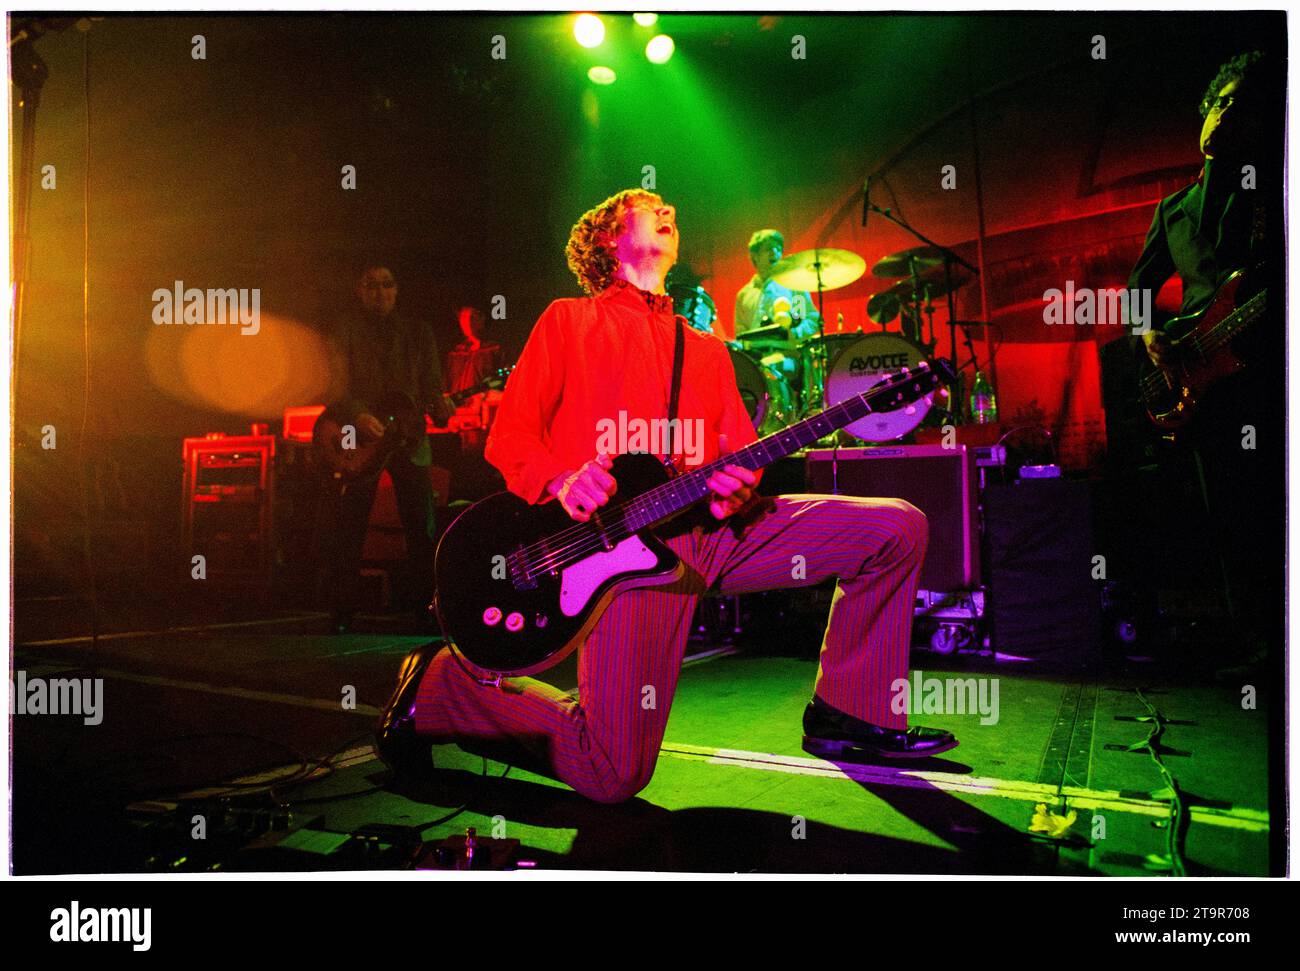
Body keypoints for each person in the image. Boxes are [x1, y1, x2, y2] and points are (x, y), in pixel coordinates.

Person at [375, 189, 957, 802]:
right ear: (606, 237)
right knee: (612, 772)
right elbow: (511, 437)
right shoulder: (568, 321)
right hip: (626, 557)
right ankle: (444, 688)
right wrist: (562, 479)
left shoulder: (705, 350)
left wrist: (740, 487)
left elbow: (738, 456)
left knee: (896, 528)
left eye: (672, 211)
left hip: (717, 534)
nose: (669, 211)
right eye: (647, 205)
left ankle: (851, 714)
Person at [1126, 51, 1282, 669]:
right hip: (1204, 373)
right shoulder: (1172, 210)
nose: (1226, 113)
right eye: (1220, 100)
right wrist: (1149, 338)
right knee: (1228, 510)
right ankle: (1256, 643)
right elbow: (1139, 289)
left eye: (1242, 104)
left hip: (1271, 366)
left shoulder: (1274, 188)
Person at [322, 262, 451, 634]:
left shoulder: (418, 332)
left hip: (409, 439)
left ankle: (426, 609)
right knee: (351, 524)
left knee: (421, 528)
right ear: (359, 292)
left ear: (397, 291)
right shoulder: (345, 332)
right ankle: (343, 609)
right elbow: (334, 388)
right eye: (372, 286)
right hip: (363, 439)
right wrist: (359, 415)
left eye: (387, 285)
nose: (380, 292)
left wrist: (441, 408)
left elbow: (431, 388)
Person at [733, 228, 820, 340]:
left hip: (786, 354)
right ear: (755, 256)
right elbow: (741, 332)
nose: (775, 252)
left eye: (778, 249)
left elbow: (807, 319)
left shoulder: (793, 286)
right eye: (768, 249)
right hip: (754, 355)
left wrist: (793, 334)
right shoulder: (744, 295)